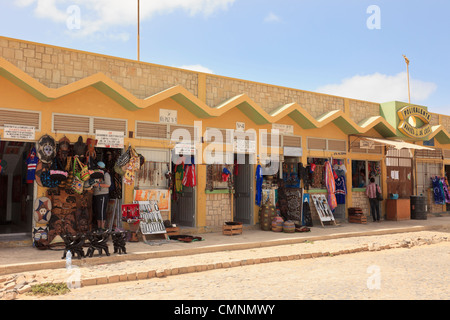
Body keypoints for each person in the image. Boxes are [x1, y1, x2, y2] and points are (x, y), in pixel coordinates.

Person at [93, 161, 111, 230]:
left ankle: (102, 227)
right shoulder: (96, 174)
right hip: (96, 194)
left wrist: (98, 185)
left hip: (103, 194)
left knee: (102, 210)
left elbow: (108, 185)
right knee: (97, 210)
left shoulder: (106, 174)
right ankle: (98, 226)